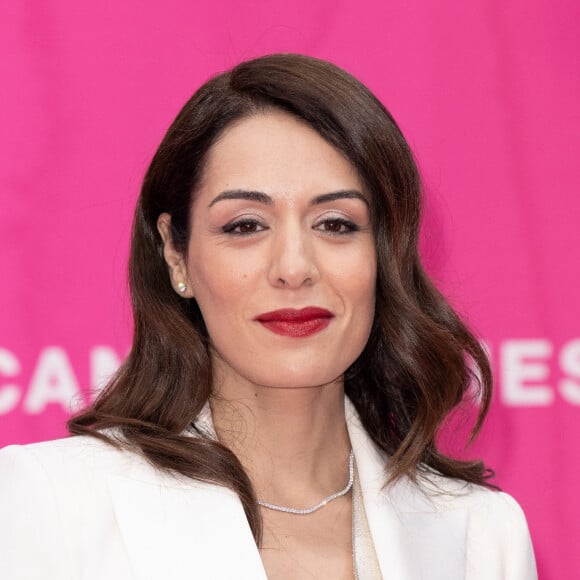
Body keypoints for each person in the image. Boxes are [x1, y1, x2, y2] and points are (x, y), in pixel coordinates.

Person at [0, 54, 536, 579]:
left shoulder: (480, 536)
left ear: (386, 252)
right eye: (245, 226)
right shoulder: (49, 505)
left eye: (335, 224)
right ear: (175, 254)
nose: (294, 268)